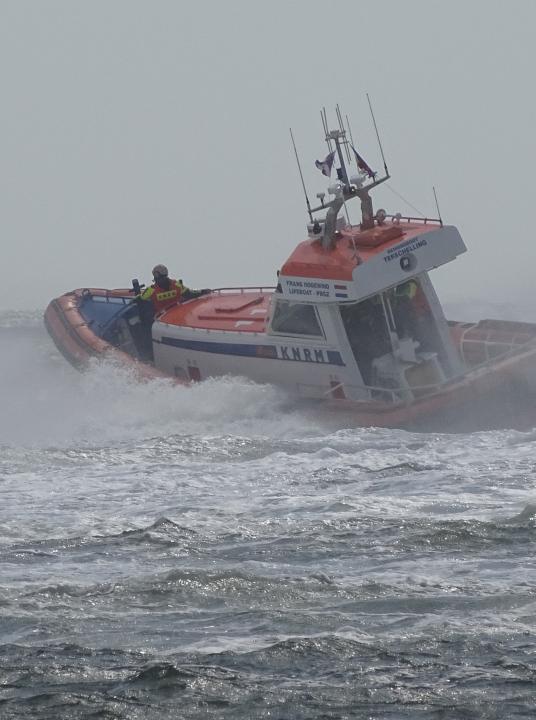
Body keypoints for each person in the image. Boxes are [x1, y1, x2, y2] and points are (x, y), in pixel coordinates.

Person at [138, 264, 210, 317]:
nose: (159, 279)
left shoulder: (176, 284)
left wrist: (202, 292)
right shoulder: (151, 290)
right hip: (161, 318)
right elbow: (140, 298)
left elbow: (189, 293)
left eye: (160, 277)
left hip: (179, 314)